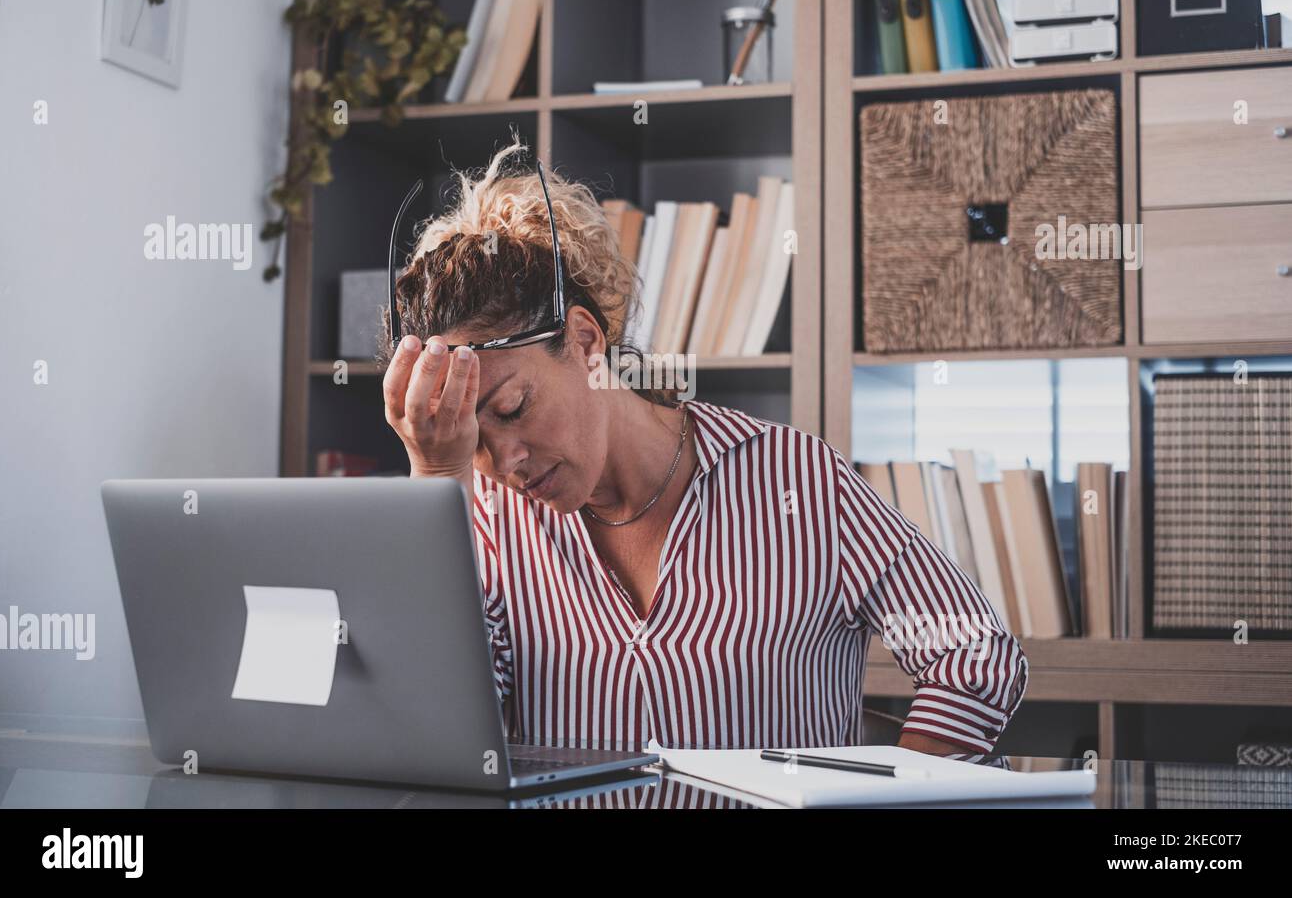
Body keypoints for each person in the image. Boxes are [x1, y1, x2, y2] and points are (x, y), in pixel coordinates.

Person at [381, 138, 1027, 753]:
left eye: (513, 408)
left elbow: (974, 653)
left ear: (584, 344)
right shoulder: (484, 522)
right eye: (473, 441)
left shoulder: (795, 481)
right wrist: (438, 473)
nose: (505, 463)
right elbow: (438, 727)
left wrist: (897, 793)